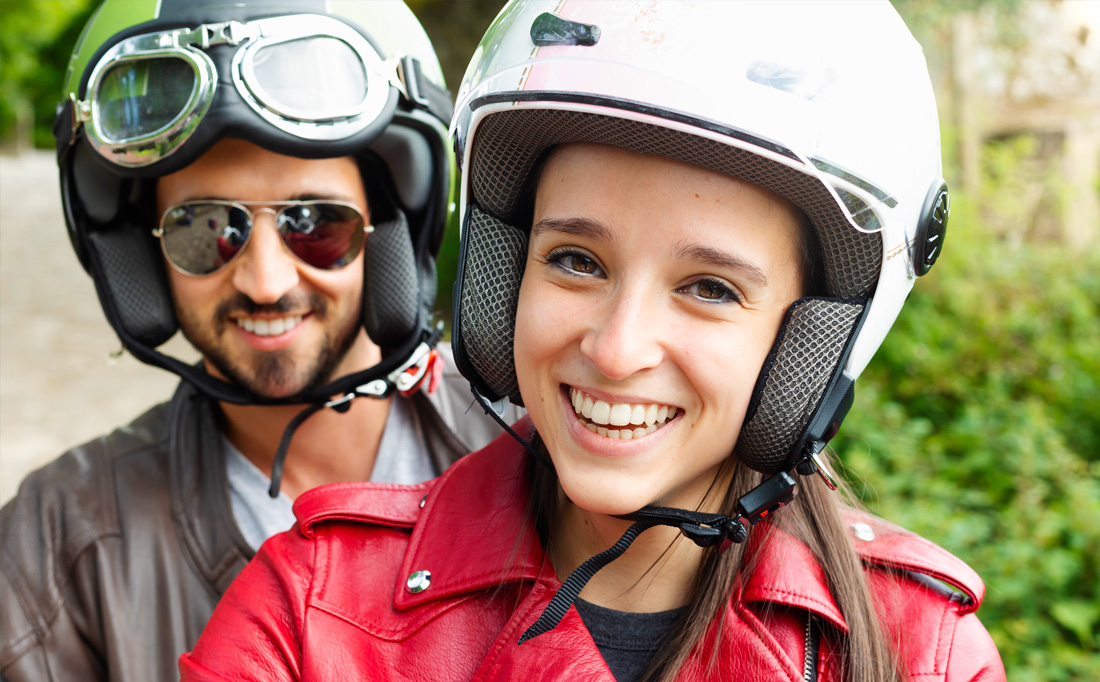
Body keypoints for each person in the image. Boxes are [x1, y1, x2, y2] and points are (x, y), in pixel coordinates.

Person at [181, 2, 1006, 681]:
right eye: (576, 261)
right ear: (505, 273)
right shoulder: (310, 609)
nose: (617, 350)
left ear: (810, 341)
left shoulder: (923, 651)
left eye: (709, 288)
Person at [0, 2, 518, 681]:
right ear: (142, 257)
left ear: (388, 232)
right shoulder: (59, 545)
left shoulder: (533, 449)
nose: (266, 282)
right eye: (204, 227)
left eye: (315, 223)